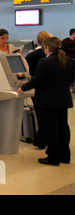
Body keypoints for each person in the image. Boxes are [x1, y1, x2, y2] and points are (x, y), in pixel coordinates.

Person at [17, 37, 74, 166]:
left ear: (47, 48)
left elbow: (37, 80)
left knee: (51, 129)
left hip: (48, 101)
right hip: (63, 99)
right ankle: (65, 156)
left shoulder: (45, 62)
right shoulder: (68, 61)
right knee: (63, 127)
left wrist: (23, 88)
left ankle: (53, 157)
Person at [25, 31, 51, 149]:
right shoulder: (53, 55)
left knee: (41, 115)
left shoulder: (31, 56)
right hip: (51, 89)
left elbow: (27, 73)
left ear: (37, 41)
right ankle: (44, 139)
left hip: (37, 89)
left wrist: (24, 87)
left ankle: (41, 140)